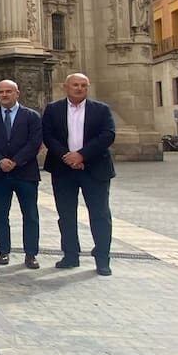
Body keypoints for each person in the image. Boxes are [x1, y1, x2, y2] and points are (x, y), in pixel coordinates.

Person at [42, 73, 116, 276]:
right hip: (63, 169)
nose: (79, 88)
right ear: (66, 87)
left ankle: (102, 259)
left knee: (100, 215)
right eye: (75, 85)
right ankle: (70, 255)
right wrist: (67, 156)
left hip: (95, 169)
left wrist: (81, 155)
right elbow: (47, 135)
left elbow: (108, 134)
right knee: (66, 215)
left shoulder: (101, 109)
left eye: (84, 85)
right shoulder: (53, 109)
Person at [0, 79, 43, 269]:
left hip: (25, 172)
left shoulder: (32, 116)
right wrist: (0, 160)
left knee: (30, 215)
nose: (5, 95)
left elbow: (34, 142)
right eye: (1, 92)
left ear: (17, 93)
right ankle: (3, 251)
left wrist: (15, 161)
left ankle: (31, 254)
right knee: (0, 215)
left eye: (9, 91)